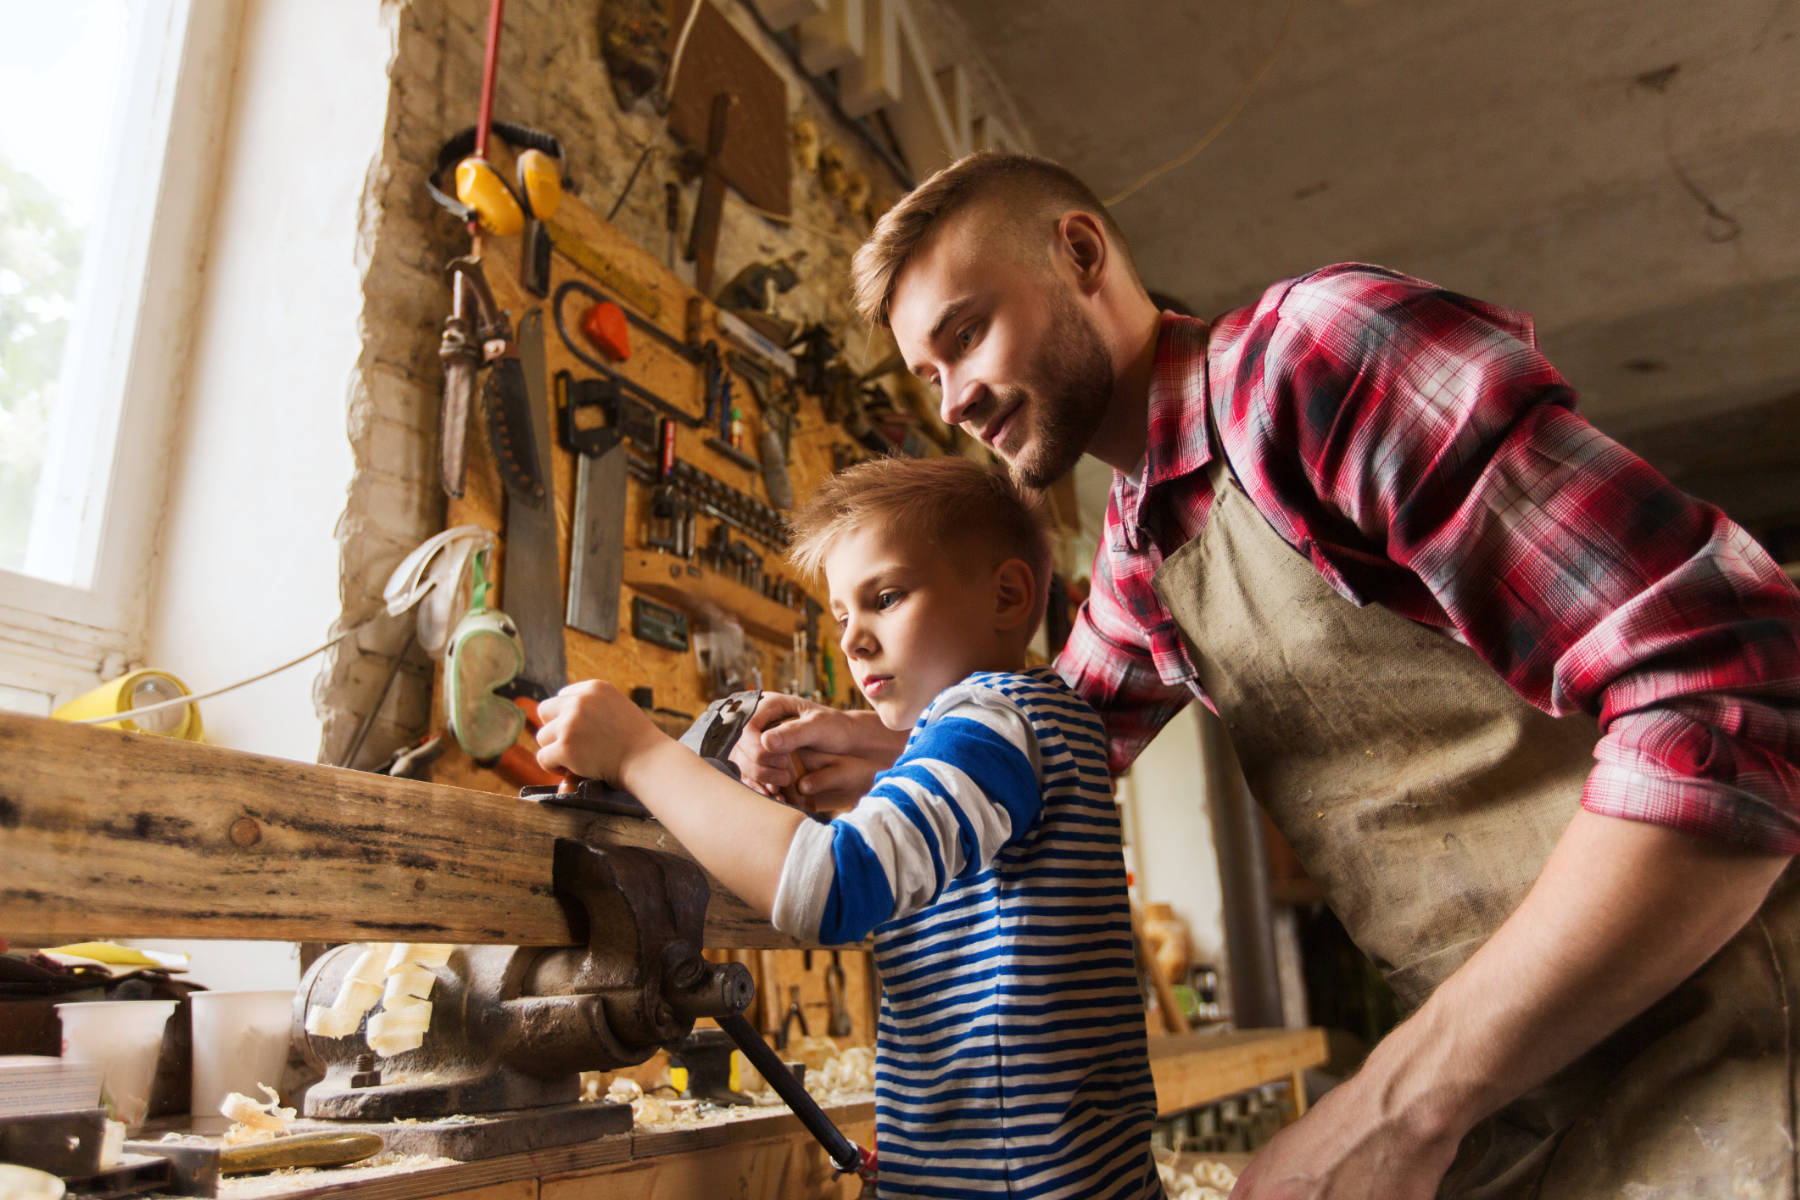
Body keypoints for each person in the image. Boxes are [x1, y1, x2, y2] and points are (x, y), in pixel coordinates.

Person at [729, 151, 1800, 1198]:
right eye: (928, 375)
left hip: (1740, 1027)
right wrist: (877, 749)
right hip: (1544, 1078)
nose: (954, 398)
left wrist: (1398, 1100)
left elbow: (1727, 694)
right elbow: (1051, 742)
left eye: (967, 334)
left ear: (1082, 252)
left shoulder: (1311, 358)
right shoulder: (1142, 547)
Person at [535, 454, 1164, 1200]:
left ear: (1007, 594)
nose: (852, 640)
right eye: (841, 615)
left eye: (886, 597)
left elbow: (833, 885)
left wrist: (640, 753)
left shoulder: (993, 721)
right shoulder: (1042, 720)